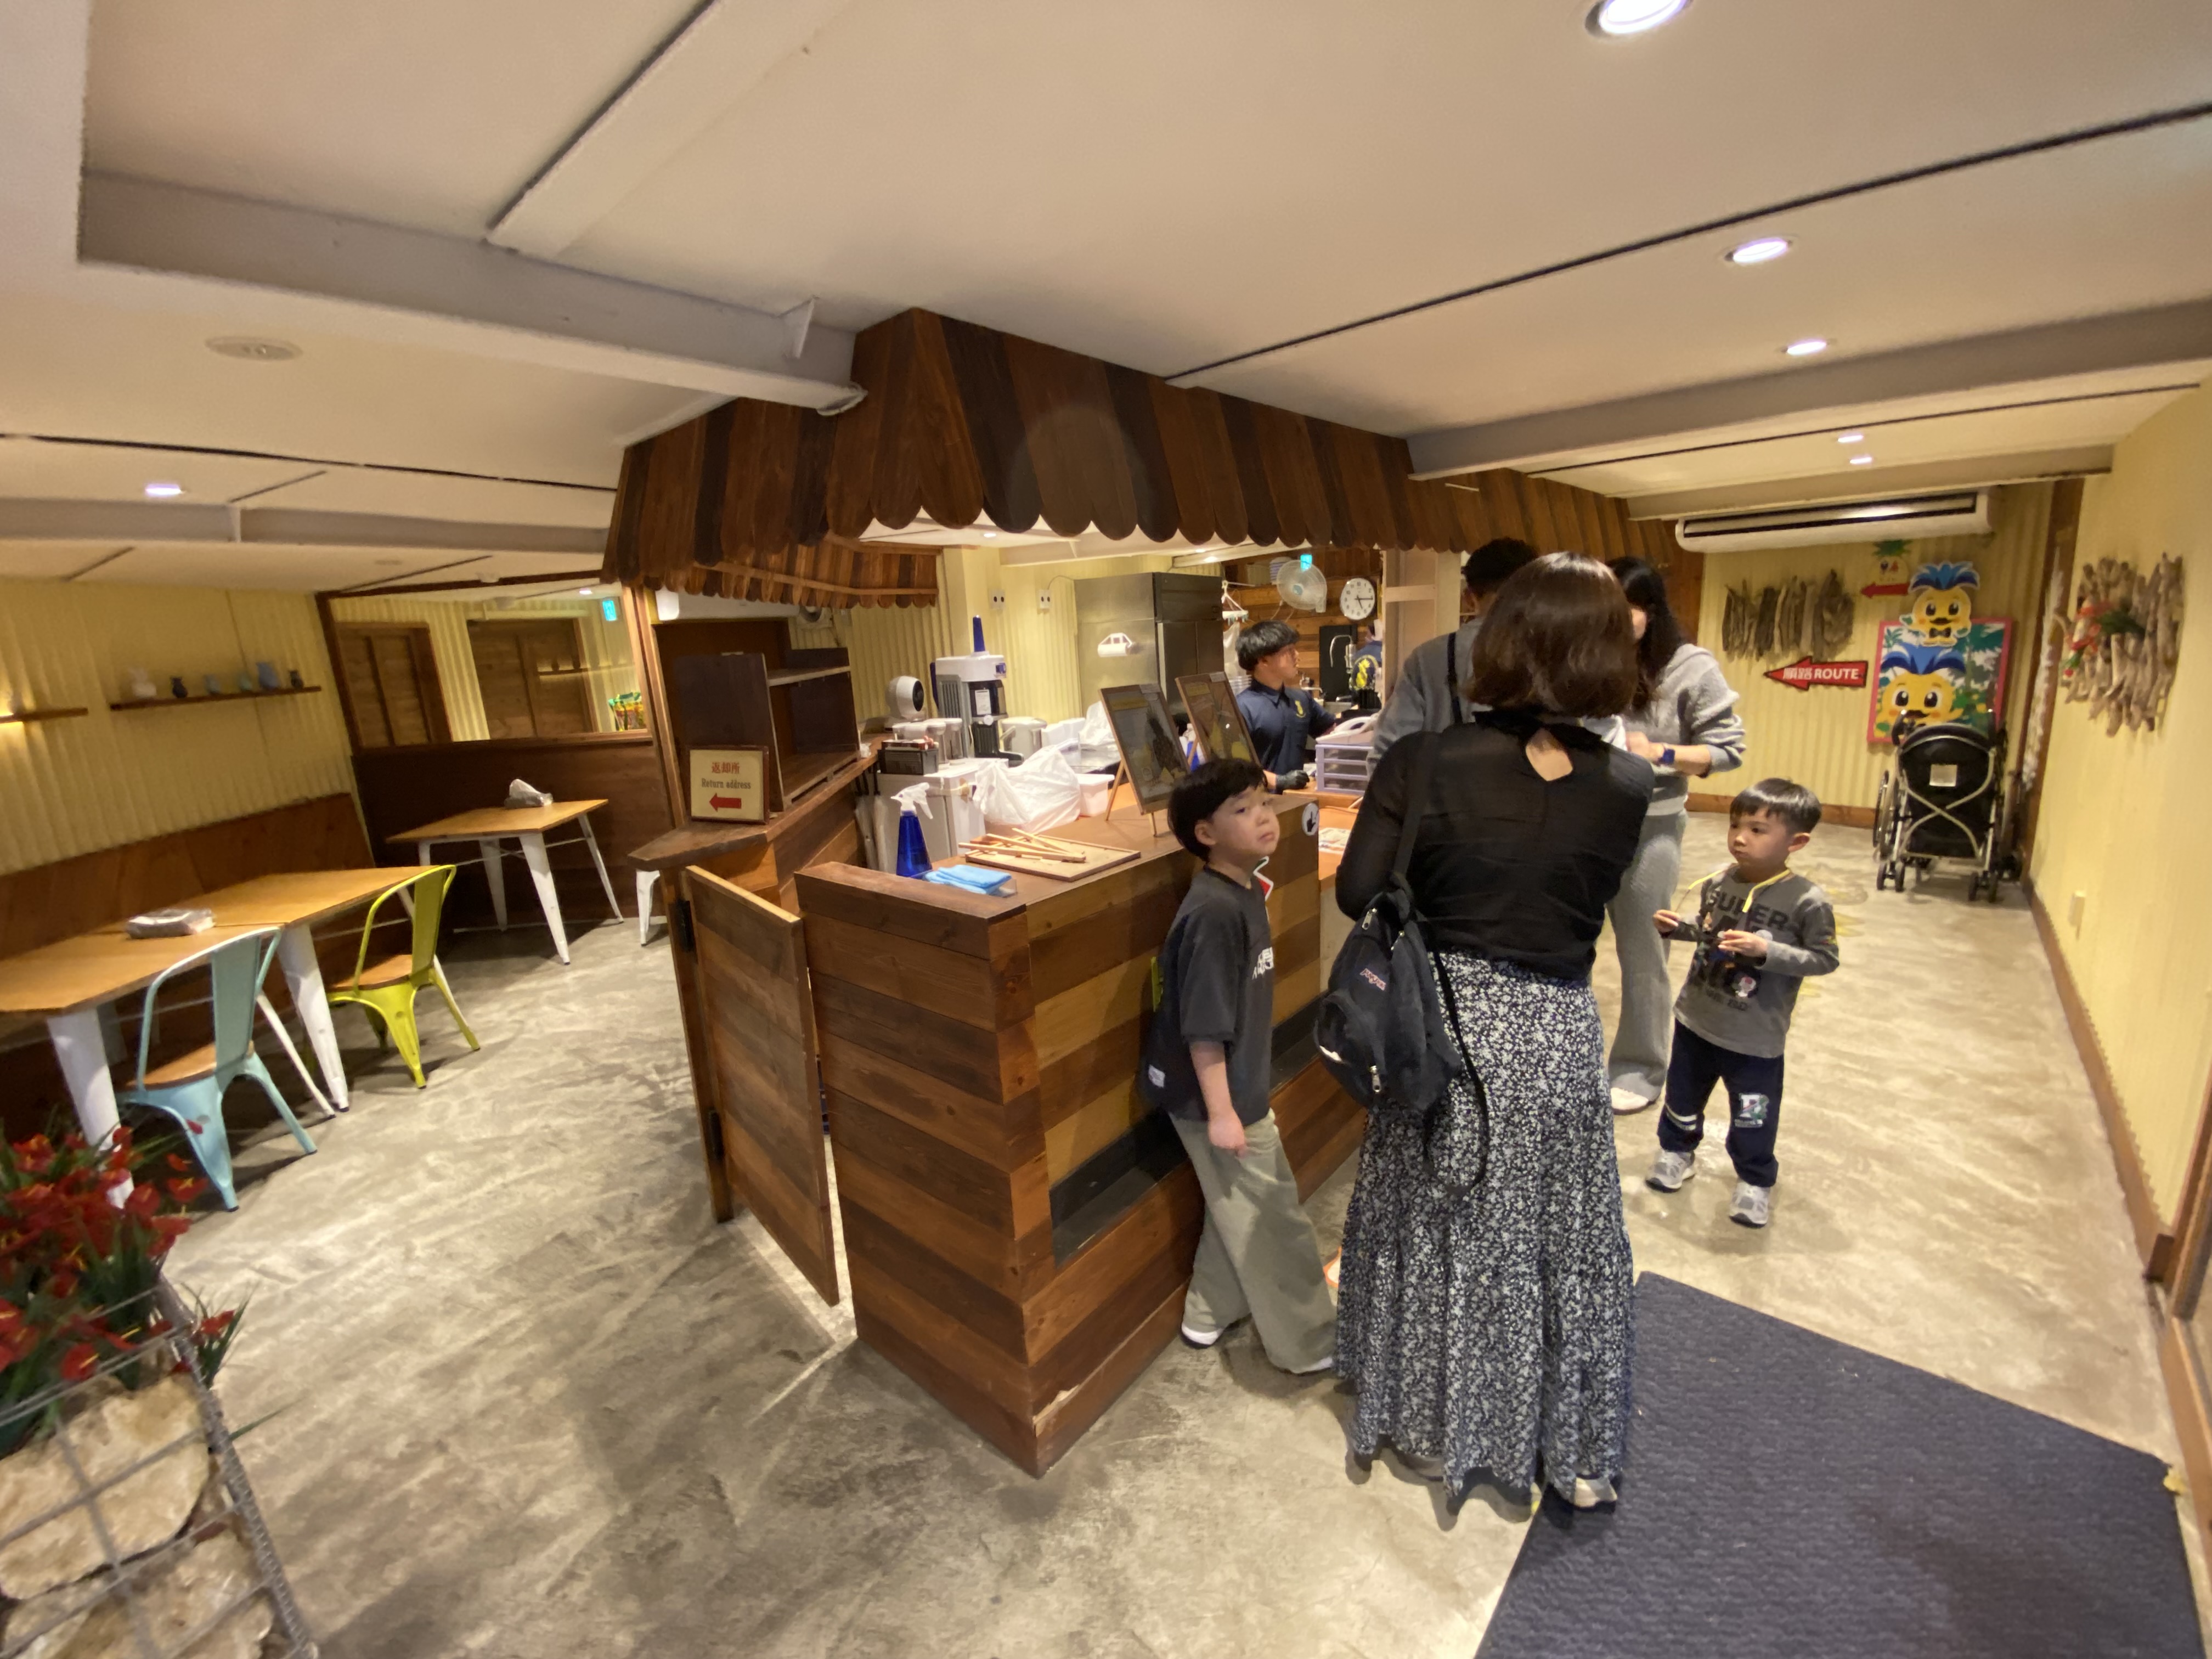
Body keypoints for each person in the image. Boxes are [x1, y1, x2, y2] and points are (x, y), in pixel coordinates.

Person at [1333, 553, 1652, 1507]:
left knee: (1435, 1224)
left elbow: (1358, 891)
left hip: (1444, 1030)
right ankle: (1563, 1438)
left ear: (1498, 640)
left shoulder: (1424, 761)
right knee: (1559, 1234)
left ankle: (1430, 1417)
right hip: (1558, 1030)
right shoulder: (1629, 783)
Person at [1138, 758, 1337, 1373]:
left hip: (1236, 1087)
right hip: (1213, 1098)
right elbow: (1203, 1029)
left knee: (1242, 1206)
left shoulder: (1244, 888)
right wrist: (1223, 1113)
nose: (1264, 818)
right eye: (1243, 810)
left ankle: (1207, 1312)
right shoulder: (1214, 913)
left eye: (1263, 802)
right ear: (1206, 833)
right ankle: (1309, 1344)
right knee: (1274, 1219)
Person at [1647, 778, 1838, 1229]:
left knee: (1754, 1114)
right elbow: (1710, 927)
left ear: (1796, 842)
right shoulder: (1719, 882)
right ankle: (1677, 1151)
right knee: (1682, 1095)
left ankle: (1754, 1180)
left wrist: (1767, 951)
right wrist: (1679, 927)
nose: (1739, 838)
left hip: (1755, 1040)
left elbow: (1825, 958)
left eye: (1757, 830)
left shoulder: (1808, 902)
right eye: (1736, 826)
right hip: (1696, 1019)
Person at [1604, 557, 1747, 1115]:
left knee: (1644, 948)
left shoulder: (1690, 667)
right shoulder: (1589, 657)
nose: (1613, 622)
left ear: (1651, 611)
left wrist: (1658, 751)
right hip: (1584, 821)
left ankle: (1640, 1067)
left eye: (1625, 611)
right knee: (1567, 945)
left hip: (1652, 824)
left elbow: (1728, 750)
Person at [1368, 536, 1537, 763]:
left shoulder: (1427, 659)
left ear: (1469, 598)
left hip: (1444, 784)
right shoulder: (1554, 654)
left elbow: (1387, 754)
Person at [1234, 618, 1335, 789]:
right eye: (1289, 651)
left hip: (1298, 798)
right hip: (1259, 801)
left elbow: (1331, 733)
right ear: (1263, 660)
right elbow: (1236, 768)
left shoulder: (1301, 699)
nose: (1297, 655)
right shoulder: (1242, 707)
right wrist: (1279, 781)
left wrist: (1360, 730)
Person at [1349, 621, 1384, 709]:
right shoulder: (1386, 655)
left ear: (1371, 634)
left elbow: (1353, 685)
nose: (1366, 637)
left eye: (1367, 633)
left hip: (1360, 706)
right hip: (1381, 707)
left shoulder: (1358, 655)